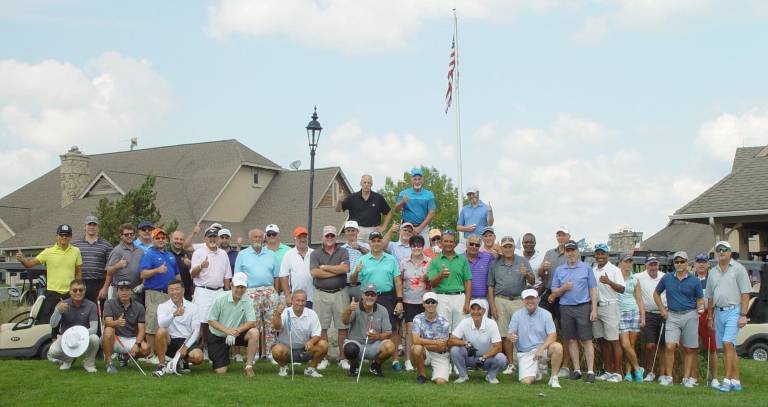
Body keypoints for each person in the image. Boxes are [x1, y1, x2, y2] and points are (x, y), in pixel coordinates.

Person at [350, 231, 404, 372]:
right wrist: (356, 272)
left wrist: (399, 300)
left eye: (378, 240)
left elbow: (397, 281)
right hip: (367, 296)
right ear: (369, 243)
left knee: (392, 328)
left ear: (382, 242)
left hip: (386, 296)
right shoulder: (363, 259)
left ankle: (395, 360)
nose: (376, 243)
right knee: (360, 325)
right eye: (373, 240)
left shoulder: (391, 259)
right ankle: (357, 357)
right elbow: (353, 281)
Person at [706, 241, 752, 393]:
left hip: (735, 310)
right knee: (728, 347)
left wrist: (743, 315)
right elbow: (710, 297)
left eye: (724, 250)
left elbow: (746, 293)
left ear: (730, 252)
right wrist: (711, 317)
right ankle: (736, 380)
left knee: (727, 343)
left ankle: (726, 380)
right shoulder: (712, 272)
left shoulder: (738, 269)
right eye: (718, 250)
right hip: (719, 312)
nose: (721, 252)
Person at [549, 240, 598, 383]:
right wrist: (564, 288)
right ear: (565, 252)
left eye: (573, 250)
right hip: (565, 307)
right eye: (568, 251)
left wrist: (594, 309)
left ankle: (590, 371)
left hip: (583, 306)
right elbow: (554, 292)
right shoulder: (559, 270)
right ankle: (576, 370)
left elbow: (593, 289)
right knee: (571, 340)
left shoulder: (586, 268)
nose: (570, 253)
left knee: (586, 339)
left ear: (577, 252)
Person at [654, 251, 703, 387]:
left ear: (687, 263)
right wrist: (662, 309)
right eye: (677, 262)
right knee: (670, 346)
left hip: (690, 314)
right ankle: (668, 377)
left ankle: (686, 378)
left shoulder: (694, 280)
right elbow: (656, 294)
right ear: (674, 263)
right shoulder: (667, 278)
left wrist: (700, 307)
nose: (679, 264)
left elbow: (699, 299)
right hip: (673, 315)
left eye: (682, 262)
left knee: (689, 348)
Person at [16, 224, 82, 326]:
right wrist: (22, 259)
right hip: (52, 293)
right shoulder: (48, 252)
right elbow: (29, 264)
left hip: (70, 293)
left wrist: (78, 289)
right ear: (57, 236)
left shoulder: (76, 251)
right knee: (47, 324)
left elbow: (78, 271)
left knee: (70, 323)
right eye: (62, 234)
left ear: (70, 237)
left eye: (67, 235)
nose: (64, 237)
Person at [487, 236, 534, 375]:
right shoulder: (495, 263)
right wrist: (493, 306)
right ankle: (511, 364)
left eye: (510, 246)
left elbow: (532, 280)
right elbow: (490, 286)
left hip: (519, 300)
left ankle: (525, 362)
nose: (508, 249)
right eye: (505, 246)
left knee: (521, 333)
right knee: (505, 334)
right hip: (500, 300)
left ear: (514, 248)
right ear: (501, 248)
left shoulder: (522, 261)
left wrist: (527, 275)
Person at [234, 228, 279, 362]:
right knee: (253, 324)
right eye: (255, 237)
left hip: (269, 291)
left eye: (260, 237)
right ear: (250, 238)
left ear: (263, 238)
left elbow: (276, 276)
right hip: (250, 291)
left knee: (270, 324)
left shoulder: (271, 254)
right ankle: (255, 354)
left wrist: (275, 292)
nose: (257, 239)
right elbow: (237, 276)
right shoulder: (242, 254)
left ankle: (271, 353)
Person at [310, 225, 351, 370]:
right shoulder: (315, 253)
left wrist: (325, 267)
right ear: (322, 237)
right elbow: (314, 273)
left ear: (336, 237)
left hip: (340, 293)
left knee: (342, 327)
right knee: (322, 328)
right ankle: (323, 358)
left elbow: (345, 269)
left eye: (332, 236)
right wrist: (336, 271)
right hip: (321, 293)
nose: (329, 238)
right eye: (327, 236)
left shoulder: (343, 251)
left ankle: (342, 358)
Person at [508, 289, 564, 388]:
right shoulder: (517, 315)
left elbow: (553, 335)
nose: (530, 301)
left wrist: (541, 348)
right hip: (525, 353)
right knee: (526, 382)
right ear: (523, 301)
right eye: (527, 299)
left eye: (532, 298)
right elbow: (510, 333)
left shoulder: (546, 314)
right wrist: (511, 336)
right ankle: (536, 370)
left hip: (543, 350)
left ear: (538, 299)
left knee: (557, 347)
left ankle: (554, 378)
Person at [140, 227, 180, 362]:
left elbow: (176, 274)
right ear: (153, 239)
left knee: (166, 324)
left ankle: (162, 353)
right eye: (158, 238)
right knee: (152, 323)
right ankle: (150, 355)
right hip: (154, 293)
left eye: (163, 238)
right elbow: (143, 274)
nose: (161, 240)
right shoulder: (149, 254)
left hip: (169, 294)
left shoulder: (170, 255)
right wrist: (157, 270)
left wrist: (180, 289)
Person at [207, 272, 259, 376]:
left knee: (254, 332)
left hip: (236, 333)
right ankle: (218, 358)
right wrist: (227, 331)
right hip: (218, 335)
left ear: (246, 287)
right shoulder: (220, 298)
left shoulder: (247, 300)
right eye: (237, 287)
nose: (240, 290)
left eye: (242, 287)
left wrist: (236, 331)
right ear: (231, 285)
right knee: (221, 371)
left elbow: (252, 322)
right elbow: (211, 320)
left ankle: (249, 366)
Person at [191, 227, 232, 358]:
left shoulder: (223, 254)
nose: (212, 239)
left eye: (215, 236)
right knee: (203, 321)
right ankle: (204, 347)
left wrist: (227, 292)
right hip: (203, 290)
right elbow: (192, 274)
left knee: (218, 320)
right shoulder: (198, 253)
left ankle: (216, 348)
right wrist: (201, 266)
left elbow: (227, 276)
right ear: (205, 238)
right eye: (210, 237)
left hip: (219, 291)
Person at [341, 284, 396, 378]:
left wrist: (377, 337)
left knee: (390, 347)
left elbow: (388, 332)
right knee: (349, 348)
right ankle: (354, 366)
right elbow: (345, 321)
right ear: (362, 295)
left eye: (373, 295)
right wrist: (349, 310)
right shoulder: (354, 307)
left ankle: (375, 366)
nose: (370, 297)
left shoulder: (382, 310)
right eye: (367, 294)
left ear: (376, 297)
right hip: (356, 343)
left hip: (374, 345)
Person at [271, 289, 327, 378]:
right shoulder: (286, 312)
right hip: (287, 349)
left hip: (305, 349)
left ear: (306, 301)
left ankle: (311, 369)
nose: (300, 303)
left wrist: (311, 342)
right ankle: (284, 367)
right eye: (297, 300)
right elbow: (277, 327)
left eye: (303, 301)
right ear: (292, 301)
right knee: (276, 350)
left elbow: (317, 334)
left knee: (323, 344)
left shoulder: (312, 314)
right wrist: (277, 313)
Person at [449, 299, 507, 384]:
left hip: (486, 359)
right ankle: (463, 375)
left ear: (483, 311)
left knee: (501, 358)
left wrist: (484, 357)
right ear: (470, 311)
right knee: (455, 350)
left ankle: (491, 376)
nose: (476, 312)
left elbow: (498, 347)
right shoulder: (464, 322)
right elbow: (451, 340)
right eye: (473, 309)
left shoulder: (491, 323)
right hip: (469, 358)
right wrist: (465, 343)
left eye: (479, 309)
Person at [47, 279, 99, 372]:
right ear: (70, 291)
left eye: (81, 290)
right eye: (74, 290)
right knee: (52, 352)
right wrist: (57, 311)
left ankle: (89, 364)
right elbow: (53, 324)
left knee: (95, 338)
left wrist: (77, 335)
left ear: (85, 291)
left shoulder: (92, 305)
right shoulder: (62, 305)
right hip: (66, 338)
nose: (78, 292)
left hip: (84, 338)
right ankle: (68, 360)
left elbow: (94, 329)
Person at [154, 280, 204, 376]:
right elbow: (161, 324)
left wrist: (185, 347)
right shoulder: (162, 306)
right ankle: (161, 365)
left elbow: (196, 330)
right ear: (168, 292)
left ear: (183, 290)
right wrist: (174, 314)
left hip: (187, 340)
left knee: (198, 357)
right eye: (171, 290)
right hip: (170, 341)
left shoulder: (193, 307)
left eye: (177, 289)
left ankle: (182, 361)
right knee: (161, 331)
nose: (174, 292)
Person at [591, 243, 625, 382]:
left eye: (602, 253)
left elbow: (622, 289)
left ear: (607, 255)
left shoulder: (614, 270)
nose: (600, 256)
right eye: (598, 253)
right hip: (596, 307)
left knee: (613, 341)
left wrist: (609, 282)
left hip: (610, 306)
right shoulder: (593, 269)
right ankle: (608, 370)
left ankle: (617, 373)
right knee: (602, 341)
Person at [102, 280, 150, 374]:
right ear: (117, 292)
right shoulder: (109, 303)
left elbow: (141, 329)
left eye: (127, 290)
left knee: (146, 349)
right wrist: (117, 322)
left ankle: (124, 357)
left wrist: (137, 344)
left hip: (130, 339)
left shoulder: (139, 307)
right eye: (121, 290)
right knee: (108, 330)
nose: (124, 292)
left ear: (131, 291)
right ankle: (109, 363)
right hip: (114, 338)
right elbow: (107, 323)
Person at [427, 230, 472, 330]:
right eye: (446, 241)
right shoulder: (435, 261)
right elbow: (432, 284)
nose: (448, 244)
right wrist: (440, 275)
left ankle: (457, 346)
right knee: (443, 329)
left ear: (455, 243)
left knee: (460, 330)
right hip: (442, 298)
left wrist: (467, 302)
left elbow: (468, 281)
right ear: (441, 243)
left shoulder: (462, 259)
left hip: (460, 297)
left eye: (451, 241)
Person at [636, 256, 669, 382]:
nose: (653, 267)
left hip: (663, 313)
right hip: (648, 314)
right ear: (646, 265)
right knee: (650, 345)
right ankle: (650, 371)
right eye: (650, 265)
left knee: (663, 346)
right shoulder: (639, 277)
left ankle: (662, 374)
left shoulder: (664, 277)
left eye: (655, 265)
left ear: (658, 265)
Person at [336, 174, 393, 241]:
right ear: (361, 183)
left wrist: (384, 226)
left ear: (371, 184)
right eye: (364, 182)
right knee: (356, 251)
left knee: (375, 251)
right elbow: (339, 210)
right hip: (357, 231)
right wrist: (339, 201)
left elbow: (389, 212)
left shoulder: (378, 198)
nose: (366, 184)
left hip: (374, 230)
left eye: (369, 183)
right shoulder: (352, 197)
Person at [616, 253, 645, 382]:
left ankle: (629, 373)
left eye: (630, 262)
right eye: (626, 261)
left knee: (631, 345)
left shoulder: (634, 279)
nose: (628, 264)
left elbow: (639, 299)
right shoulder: (615, 277)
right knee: (625, 344)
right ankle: (638, 368)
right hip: (620, 313)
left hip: (633, 312)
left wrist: (643, 316)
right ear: (620, 263)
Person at [70, 215, 112, 306]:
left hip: (99, 283)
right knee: (80, 311)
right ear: (84, 227)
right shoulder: (74, 244)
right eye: (89, 224)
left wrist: (105, 288)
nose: (92, 227)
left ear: (98, 227)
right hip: (80, 283)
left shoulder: (106, 245)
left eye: (94, 225)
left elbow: (109, 270)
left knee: (98, 312)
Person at [411, 292, 452, 384]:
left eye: (433, 302)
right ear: (423, 304)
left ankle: (438, 373)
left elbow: (442, 346)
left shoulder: (444, 322)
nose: (430, 304)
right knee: (416, 348)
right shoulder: (417, 319)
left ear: (437, 304)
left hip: (440, 354)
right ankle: (422, 375)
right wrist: (435, 342)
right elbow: (415, 340)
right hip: (425, 351)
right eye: (427, 302)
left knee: (440, 382)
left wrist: (424, 344)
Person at [693, 252, 719, 388]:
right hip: (693, 316)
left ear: (708, 264)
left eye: (704, 262)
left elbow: (714, 299)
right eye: (699, 262)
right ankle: (695, 376)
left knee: (712, 348)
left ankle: (714, 378)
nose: (701, 264)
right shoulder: (691, 279)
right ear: (695, 264)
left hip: (708, 316)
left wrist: (711, 317)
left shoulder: (712, 279)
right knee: (693, 348)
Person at [395, 167, 436, 240]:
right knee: (404, 249)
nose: (417, 182)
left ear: (422, 180)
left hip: (423, 228)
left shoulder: (429, 194)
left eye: (419, 179)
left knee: (424, 251)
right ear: (411, 180)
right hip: (406, 227)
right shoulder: (403, 193)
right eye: (415, 179)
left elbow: (432, 213)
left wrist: (420, 228)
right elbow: (397, 210)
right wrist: (402, 202)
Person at [105, 223, 144, 299]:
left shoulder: (140, 251)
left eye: (131, 234)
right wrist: (117, 266)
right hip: (121, 291)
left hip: (136, 291)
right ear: (121, 236)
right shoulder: (117, 251)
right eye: (126, 234)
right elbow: (109, 272)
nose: (129, 236)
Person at [280, 226, 315, 307]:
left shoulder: (314, 253)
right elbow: (283, 276)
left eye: (304, 237)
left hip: (313, 298)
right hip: (296, 298)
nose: (303, 239)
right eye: (299, 237)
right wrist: (288, 296)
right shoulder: (288, 254)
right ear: (294, 239)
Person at [463, 234, 494, 313]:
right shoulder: (459, 258)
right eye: (471, 244)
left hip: (482, 300)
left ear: (480, 246)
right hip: (464, 300)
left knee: (482, 325)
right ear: (466, 245)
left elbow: (500, 259)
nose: (474, 246)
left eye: (477, 245)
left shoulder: (487, 257)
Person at [340, 220, 369, 301]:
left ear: (357, 232)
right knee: (345, 311)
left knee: (361, 311)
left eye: (353, 230)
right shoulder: (341, 249)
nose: (350, 233)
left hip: (361, 285)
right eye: (348, 231)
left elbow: (371, 256)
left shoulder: (365, 246)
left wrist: (359, 248)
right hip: (345, 285)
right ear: (345, 232)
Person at [169, 230, 194, 301]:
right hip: (168, 294)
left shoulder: (189, 256)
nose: (178, 241)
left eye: (181, 239)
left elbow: (195, 275)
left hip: (186, 294)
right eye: (176, 239)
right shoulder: (165, 254)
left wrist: (190, 265)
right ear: (171, 240)